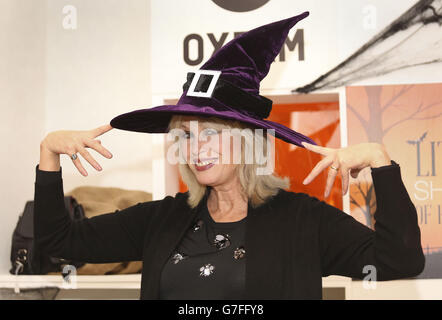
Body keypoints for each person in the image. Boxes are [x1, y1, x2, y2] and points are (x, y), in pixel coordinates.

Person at [34, 12, 425, 300]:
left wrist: (380, 162)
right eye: (185, 135)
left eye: (212, 133)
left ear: (248, 142)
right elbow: (58, 242)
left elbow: (400, 261)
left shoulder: (303, 221)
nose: (195, 147)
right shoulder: (162, 220)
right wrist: (48, 153)